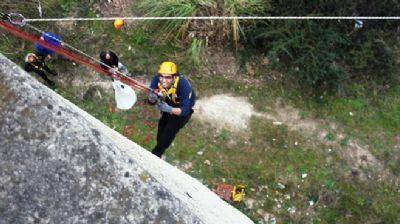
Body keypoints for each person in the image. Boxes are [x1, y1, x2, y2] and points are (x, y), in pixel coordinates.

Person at [148, 61, 196, 158]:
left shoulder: (183, 86)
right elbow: (151, 102)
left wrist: (169, 109)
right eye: (161, 76)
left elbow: (185, 111)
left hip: (182, 107)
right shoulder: (156, 80)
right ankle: (160, 145)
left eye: (168, 77)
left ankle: (156, 154)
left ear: (174, 77)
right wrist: (151, 98)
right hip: (170, 101)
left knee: (169, 131)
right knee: (162, 127)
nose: (163, 80)